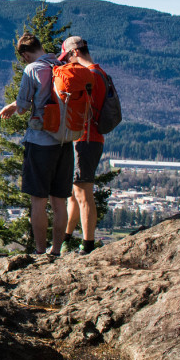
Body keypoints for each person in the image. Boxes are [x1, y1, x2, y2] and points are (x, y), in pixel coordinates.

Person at [0, 32, 73, 256]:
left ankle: (40, 251)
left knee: (38, 201)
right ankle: (56, 249)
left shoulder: (32, 69)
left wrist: (16, 106)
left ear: (25, 54)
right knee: (60, 201)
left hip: (40, 141)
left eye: (24, 58)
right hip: (64, 140)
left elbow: (22, 107)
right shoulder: (61, 64)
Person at [58, 36, 108, 255]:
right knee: (74, 193)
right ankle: (66, 238)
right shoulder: (101, 73)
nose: (68, 63)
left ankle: (87, 245)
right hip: (91, 139)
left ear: (75, 52)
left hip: (85, 139)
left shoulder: (90, 76)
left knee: (83, 193)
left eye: (68, 58)